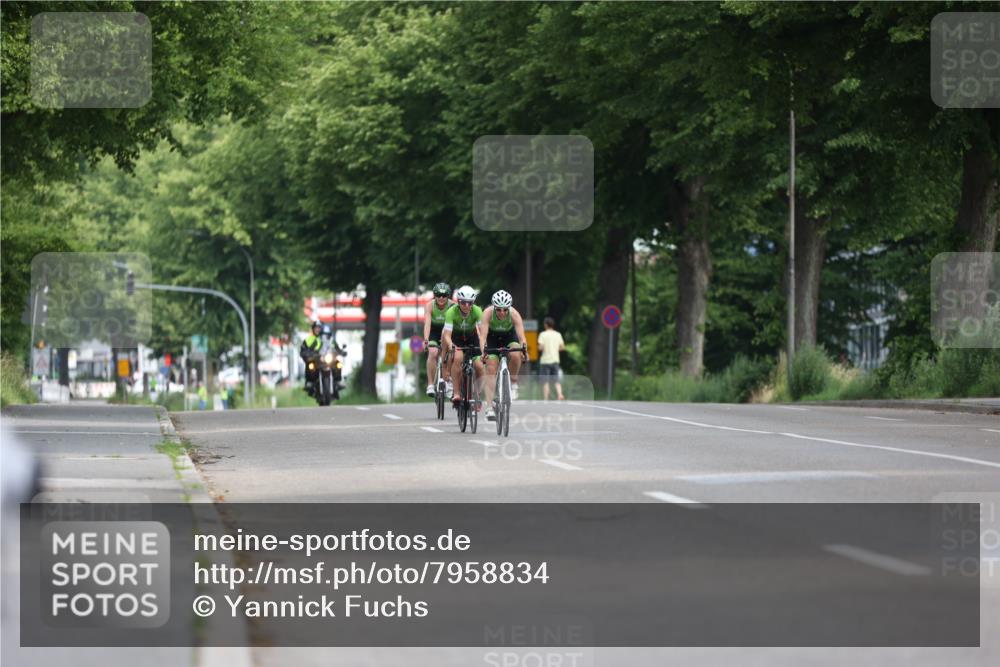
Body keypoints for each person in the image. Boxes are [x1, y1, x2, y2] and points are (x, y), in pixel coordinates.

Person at [480, 290, 527, 421]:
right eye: (499, 309)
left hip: (509, 336)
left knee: (516, 354)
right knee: (491, 368)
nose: (502, 313)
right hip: (492, 338)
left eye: (505, 309)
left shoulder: (514, 314)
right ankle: (489, 407)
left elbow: (522, 338)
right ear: (494, 307)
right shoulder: (487, 313)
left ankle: (513, 383)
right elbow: (483, 337)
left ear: (509, 308)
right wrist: (483, 352)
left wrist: (524, 350)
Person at [441, 285, 485, 408]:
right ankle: (456, 393)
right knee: (458, 358)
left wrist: (484, 346)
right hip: (456, 338)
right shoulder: (451, 312)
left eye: (470, 303)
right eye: (463, 302)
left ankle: (477, 394)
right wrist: (451, 345)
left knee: (480, 367)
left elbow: (482, 332)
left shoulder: (477, 311)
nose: (466, 305)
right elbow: (447, 335)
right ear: (458, 301)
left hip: (472, 337)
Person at [423, 282, 453, 397]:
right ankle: (430, 384)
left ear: (448, 296)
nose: (441, 298)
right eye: (438, 295)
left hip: (448, 331)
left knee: (452, 353)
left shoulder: (453, 306)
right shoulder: (429, 305)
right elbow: (427, 324)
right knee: (433, 352)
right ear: (434, 295)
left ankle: (449, 380)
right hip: (434, 332)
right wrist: (426, 340)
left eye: (444, 295)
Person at [537, 316, 566, 401]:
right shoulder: (558, 334)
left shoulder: (543, 334)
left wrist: (539, 347)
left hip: (545, 361)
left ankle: (546, 398)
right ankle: (560, 394)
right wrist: (555, 349)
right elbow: (563, 347)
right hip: (555, 360)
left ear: (546, 324)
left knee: (545, 381)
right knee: (556, 380)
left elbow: (541, 347)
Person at [300, 320, 323, 396]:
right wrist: (306, 354)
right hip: (314, 360)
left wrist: (340, 351)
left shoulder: (326, 338)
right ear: (313, 329)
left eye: (319, 328)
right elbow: (303, 350)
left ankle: (338, 380)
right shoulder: (308, 339)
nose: (317, 329)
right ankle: (309, 382)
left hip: (324, 360)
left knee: (337, 363)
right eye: (316, 328)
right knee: (309, 363)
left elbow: (333, 346)